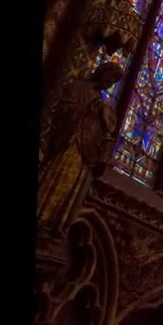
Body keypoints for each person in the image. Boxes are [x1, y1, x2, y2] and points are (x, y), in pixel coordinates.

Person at [38, 62, 123, 237]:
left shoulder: (102, 102)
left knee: (72, 190)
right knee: (55, 179)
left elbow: (105, 128)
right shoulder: (79, 88)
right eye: (110, 77)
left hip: (87, 151)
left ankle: (57, 224)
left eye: (114, 81)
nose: (110, 83)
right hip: (69, 144)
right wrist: (87, 110)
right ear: (101, 72)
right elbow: (63, 110)